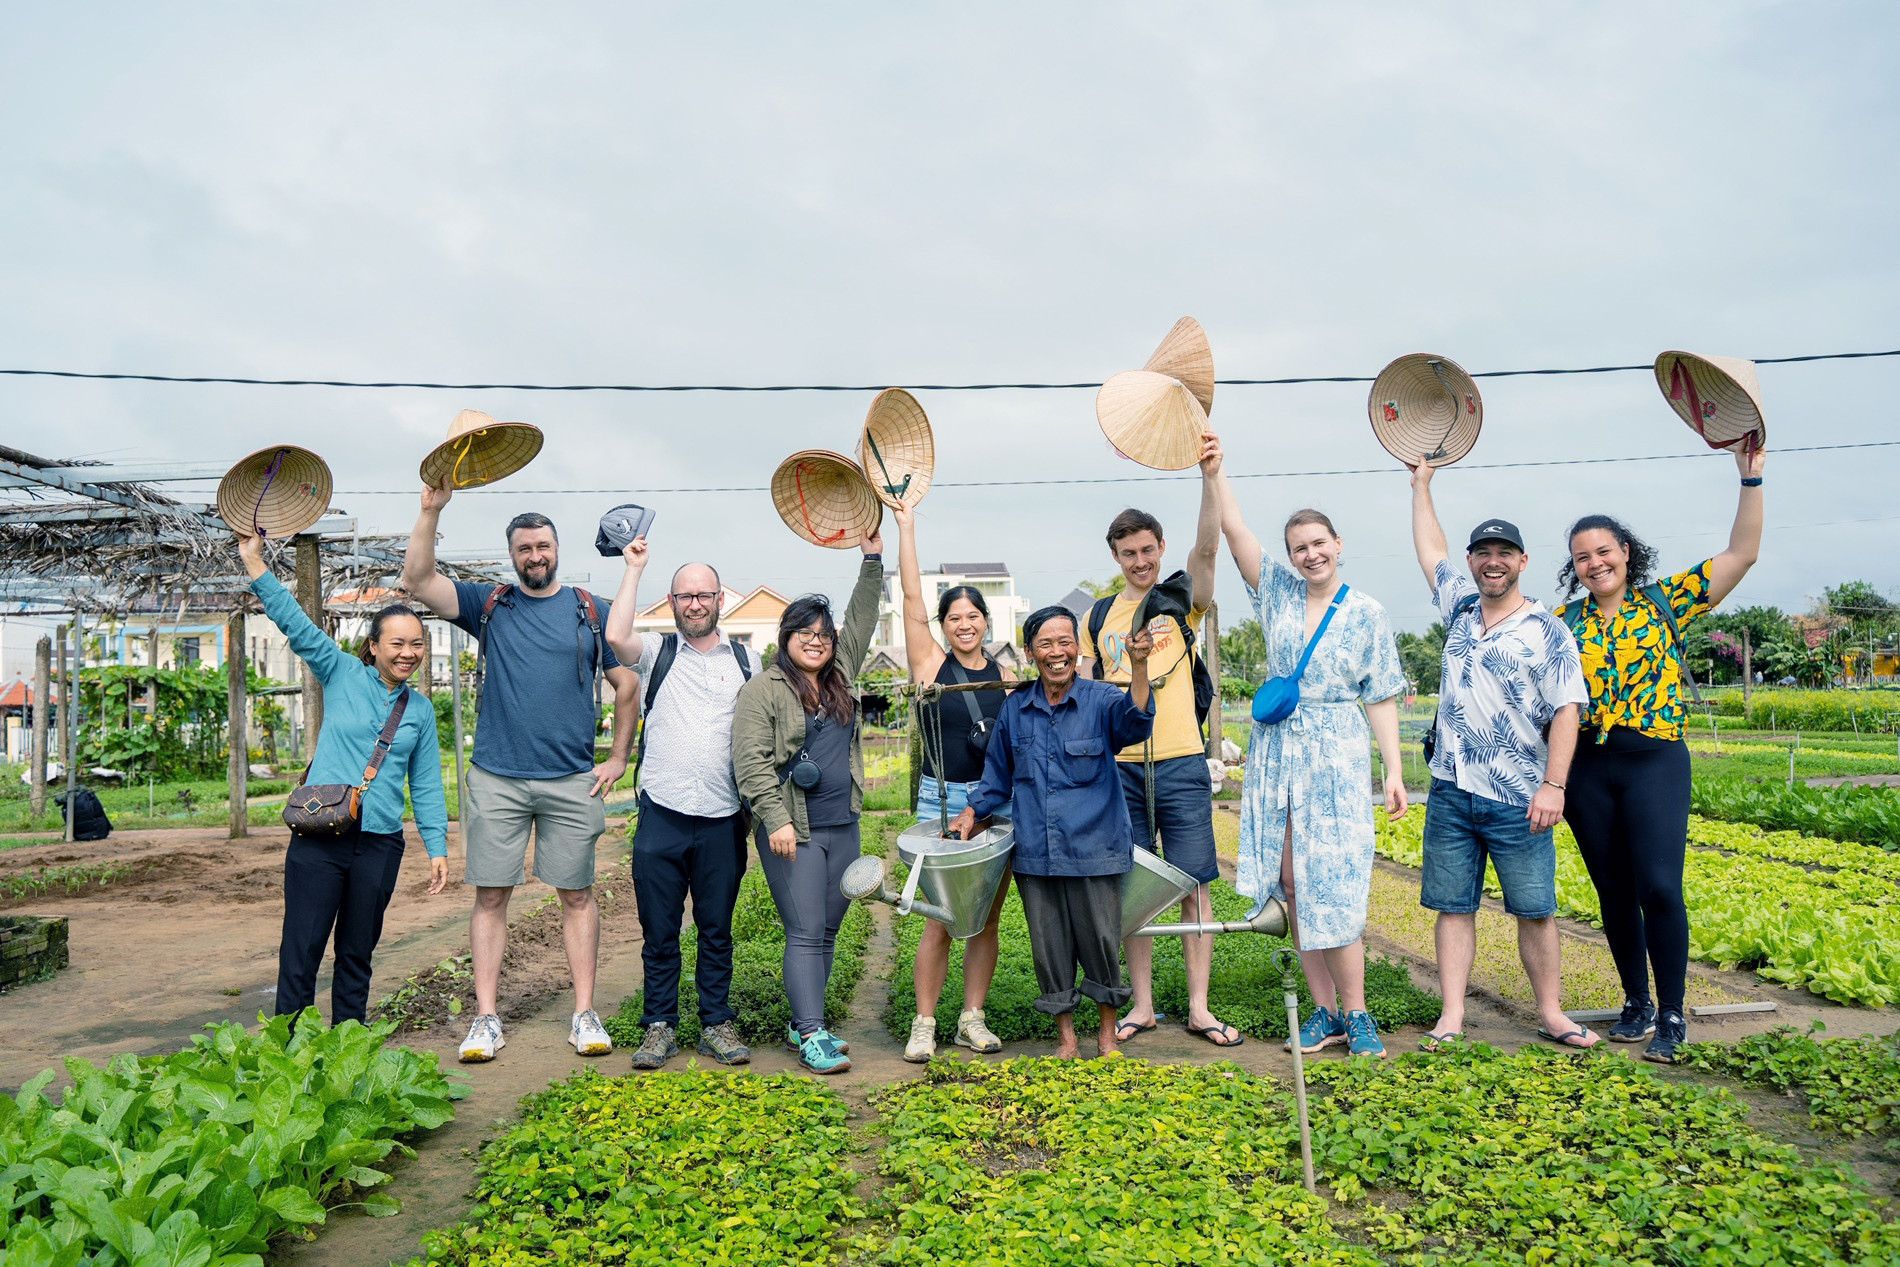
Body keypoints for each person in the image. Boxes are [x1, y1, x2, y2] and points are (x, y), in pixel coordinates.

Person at [402, 484, 638, 1063]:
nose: (535, 555)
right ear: (512, 555)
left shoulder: (589, 608)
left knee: (578, 895)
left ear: (557, 549)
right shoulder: (490, 606)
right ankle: (486, 1019)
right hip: (497, 778)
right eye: (525, 548)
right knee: (489, 897)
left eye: (543, 545)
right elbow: (417, 580)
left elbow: (627, 682)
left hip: (570, 779)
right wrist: (431, 510)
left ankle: (584, 1013)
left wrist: (617, 756)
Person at [1555, 444, 1766, 1063]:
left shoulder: (1665, 601)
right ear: (1573, 568)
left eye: (1604, 551)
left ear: (1626, 553)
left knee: (1659, 887)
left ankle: (1672, 1012)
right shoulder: (1563, 623)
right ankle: (1635, 1002)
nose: (1595, 563)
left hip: (1655, 761)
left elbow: (1742, 554)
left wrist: (1749, 476)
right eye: (1581, 557)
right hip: (1589, 768)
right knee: (1613, 893)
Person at [1200, 433, 1408, 1058]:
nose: (1310, 554)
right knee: (1292, 880)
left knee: (1337, 880)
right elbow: (1236, 534)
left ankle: (1360, 1012)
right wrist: (1216, 472)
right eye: (1299, 548)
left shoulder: (1367, 612)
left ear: (1338, 545)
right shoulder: (1278, 597)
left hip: (1338, 752)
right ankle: (1323, 1013)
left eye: (1319, 543)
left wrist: (1393, 771)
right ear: (1290, 557)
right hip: (1278, 752)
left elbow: (1382, 695)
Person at [1408, 462, 1596, 1050]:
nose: (1493, 561)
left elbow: (1568, 709)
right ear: (1472, 562)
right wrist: (1420, 486)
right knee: (1452, 906)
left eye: (1504, 552)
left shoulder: (1548, 630)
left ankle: (1553, 1013)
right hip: (1450, 789)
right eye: (1482, 552)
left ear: (1521, 561)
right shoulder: (1460, 608)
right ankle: (1453, 1015)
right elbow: (1429, 547)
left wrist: (1554, 786)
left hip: (1519, 796)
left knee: (1535, 909)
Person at [237, 532, 448, 1025]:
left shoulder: (419, 710)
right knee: (302, 950)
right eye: (397, 643)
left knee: (357, 954)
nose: (408, 653)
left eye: (417, 644)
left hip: (379, 844)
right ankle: (288, 1050)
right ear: (373, 646)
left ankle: (348, 1048)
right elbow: (295, 622)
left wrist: (436, 847)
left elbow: (426, 784)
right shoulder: (340, 673)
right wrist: (254, 563)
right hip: (319, 835)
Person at [948, 607, 1154, 1058]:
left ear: (1077, 649)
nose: (1056, 652)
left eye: (1065, 642)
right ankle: (1066, 1038)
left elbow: (1136, 724)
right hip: (1037, 853)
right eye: (1045, 643)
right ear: (1029, 653)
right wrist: (970, 813)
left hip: (1095, 847)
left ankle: (1105, 1034)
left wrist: (1138, 666)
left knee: (1101, 942)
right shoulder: (1016, 709)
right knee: (1048, 946)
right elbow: (997, 775)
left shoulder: (1101, 700)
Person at [1078, 506, 1237, 1048]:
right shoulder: (1098, 618)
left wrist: (1209, 475)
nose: (1140, 562)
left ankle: (1199, 1007)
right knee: (1134, 888)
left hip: (1181, 761)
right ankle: (1142, 1005)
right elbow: (1083, 691)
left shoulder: (1180, 605)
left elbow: (1209, 551)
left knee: (1194, 884)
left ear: (1161, 548)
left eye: (1148, 550)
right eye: (1129, 554)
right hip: (1118, 769)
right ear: (1116, 557)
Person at [730, 530, 884, 1075]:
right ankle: (812, 1034)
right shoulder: (764, 689)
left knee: (829, 928)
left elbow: (862, 617)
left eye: (823, 634)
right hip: (794, 829)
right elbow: (749, 763)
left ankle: (806, 1021)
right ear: (786, 636)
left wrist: (871, 558)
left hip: (843, 825)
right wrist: (774, 820)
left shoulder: (840, 677)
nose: (816, 641)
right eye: (805, 632)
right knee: (803, 928)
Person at [604, 540, 755, 1070]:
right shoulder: (656, 655)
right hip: (662, 813)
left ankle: (716, 1022)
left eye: (704, 595)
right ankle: (659, 1026)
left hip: (722, 818)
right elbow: (616, 635)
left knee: (717, 928)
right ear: (671, 601)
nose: (695, 604)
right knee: (659, 931)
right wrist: (634, 568)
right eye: (685, 596)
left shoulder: (747, 661)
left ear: (720, 600)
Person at [890, 502, 1013, 1062]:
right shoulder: (929, 665)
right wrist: (907, 526)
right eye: (954, 619)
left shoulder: (1007, 677)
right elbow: (912, 603)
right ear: (943, 627)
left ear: (987, 620)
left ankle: (972, 1018)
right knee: (940, 918)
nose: (965, 625)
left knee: (985, 915)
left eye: (973, 616)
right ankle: (924, 1023)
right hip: (941, 801)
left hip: (993, 804)